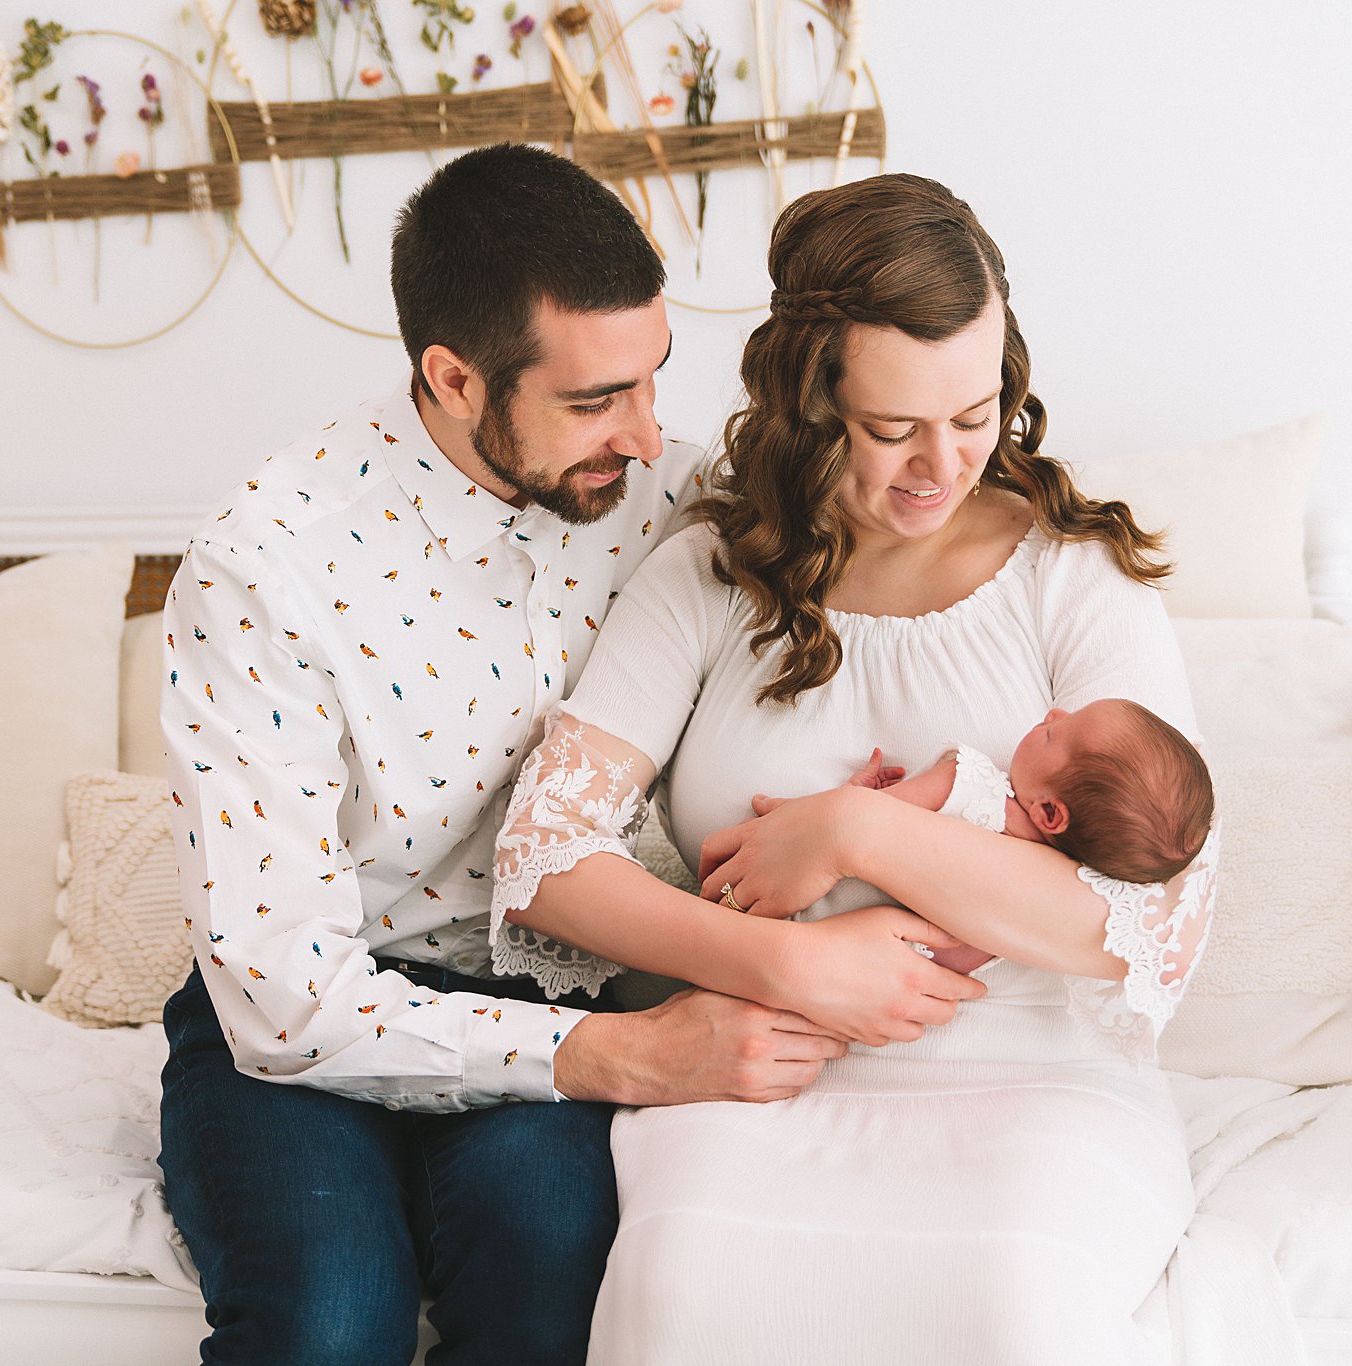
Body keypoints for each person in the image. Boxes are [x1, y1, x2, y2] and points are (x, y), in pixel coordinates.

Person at [155, 145, 974, 1365]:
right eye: (596, 401)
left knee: (557, 1297)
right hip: (315, 1031)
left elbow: (868, 590)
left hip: (557, 982)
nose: (648, 437)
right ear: (452, 378)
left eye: (653, 381)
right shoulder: (264, 570)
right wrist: (625, 1053)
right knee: (327, 1326)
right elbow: (281, 1000)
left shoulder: (682, 498)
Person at [491, 172, 1222, 1363]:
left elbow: (1151, 917)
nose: (941, 465)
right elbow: (540, 866)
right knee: (683, 1299)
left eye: (974, 414)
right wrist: (782, 958)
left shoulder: (1066, 578)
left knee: (1006, 1305)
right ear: (809, 402)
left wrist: (857, 832)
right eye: (893, 429)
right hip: (757, 1069)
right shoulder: (706, 579)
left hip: (1033, 1084)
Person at [833, 699, 1215, 973]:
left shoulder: (966, 784)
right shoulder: (1009, 932)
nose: (1053, 713)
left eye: (1053, 734)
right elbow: (927, 968)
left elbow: (834, 822)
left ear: (1049, 812)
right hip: (847, 963)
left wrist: (851, 794)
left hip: (810, 886)